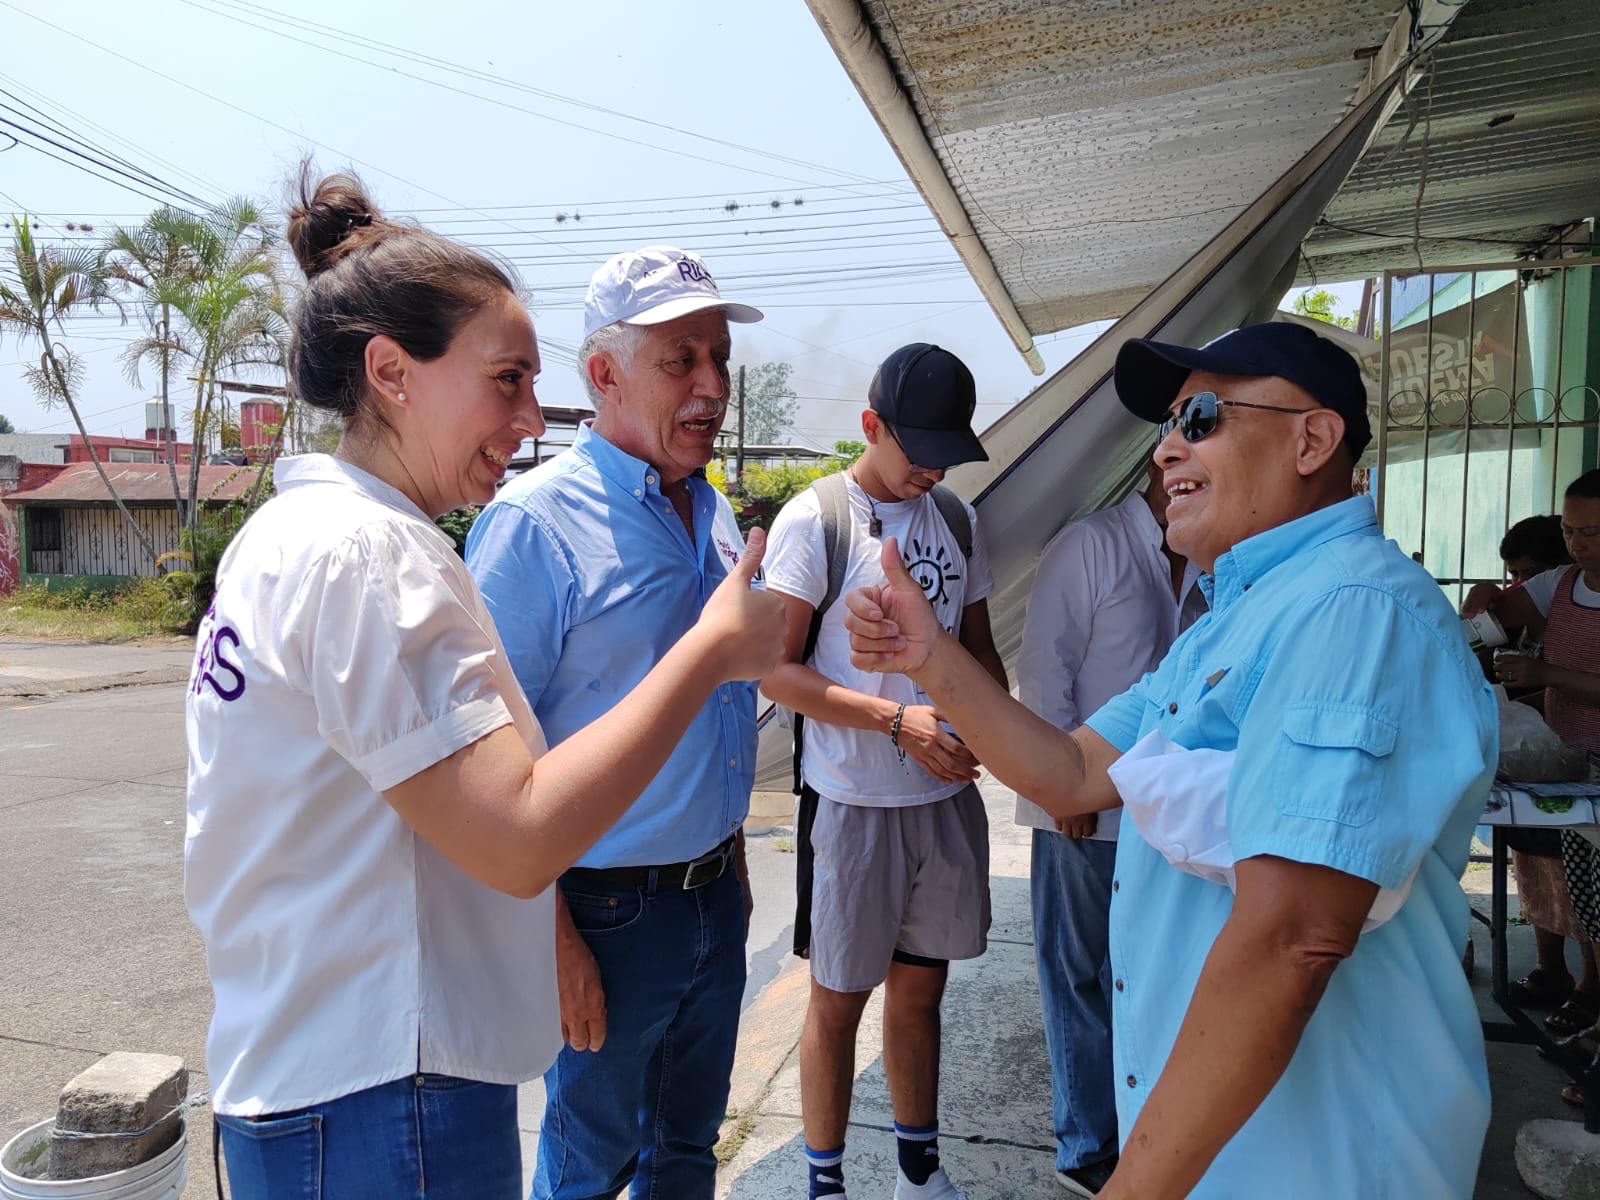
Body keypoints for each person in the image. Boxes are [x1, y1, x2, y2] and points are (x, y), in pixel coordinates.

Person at [184, 179, 786, 1200]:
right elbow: (515, 834)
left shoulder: (298, 537)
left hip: (328, 1072)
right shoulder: (373, 556)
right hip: (382, 1083)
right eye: (505, 380)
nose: (525, 416)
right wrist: (711, 651)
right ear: (391, 373)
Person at [843, 321, 1497, 1199]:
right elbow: (1068, 771)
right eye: (1166, 428)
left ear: (1313, 438)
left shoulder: (1355, 611)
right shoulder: (1241, 614)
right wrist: (929, 658)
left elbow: (1293, 938)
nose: (1165, 452)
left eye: (1199, 417)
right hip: (1232, 1155)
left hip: (1322, 1158)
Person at [465, 244, 765, 1200]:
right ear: (603, 374)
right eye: (681, 361)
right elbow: (490, 760)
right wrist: (552, 940)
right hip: (603, 911)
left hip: (716, 889)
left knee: (688, 1148)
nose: (712, 386)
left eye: (719, 358)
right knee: (592, 1163)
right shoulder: (535, 526)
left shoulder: (709, 508)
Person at [761, 343, 1006, 1200]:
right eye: (917, 449)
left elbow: (980, 655)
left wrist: (980, 727)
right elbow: (775, 671)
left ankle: (917, 1173)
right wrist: (897, 718)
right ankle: (824, 1183)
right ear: (871, 427)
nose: (931, 468)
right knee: (837, 1001)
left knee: (920, 997)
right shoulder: (815, 521)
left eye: (947, 451)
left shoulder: (958, 520)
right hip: (854, 803)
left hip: (940, 799)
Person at [1015, 457, 1206, 1196]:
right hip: (1080, 811)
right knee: (1078, 977)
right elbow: (1042, 670)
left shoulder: (1196, 553)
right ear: (1159, 468)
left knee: (1143, 976)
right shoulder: (1089, 546)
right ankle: (1086, 1146)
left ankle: (1135, 1133)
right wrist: (1058, 783)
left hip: (1159, 814)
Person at [1469, 470, 1600, 1101]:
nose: (1579, 545)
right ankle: (1588, 998)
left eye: (1593, 533)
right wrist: (1475, 615)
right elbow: (1495, 619)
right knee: (1590, 903)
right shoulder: (1562, 583)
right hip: (1575, 767)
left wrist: (1548, 670)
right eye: (1571, 531)